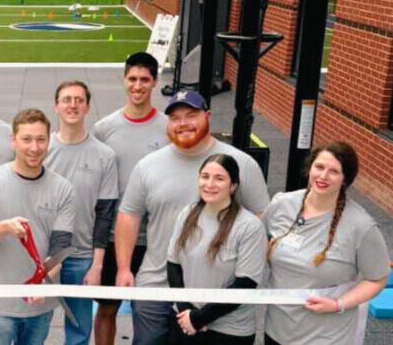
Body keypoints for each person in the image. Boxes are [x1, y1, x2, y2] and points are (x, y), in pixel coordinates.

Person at [114, 90, 270, 344]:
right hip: (155, 288)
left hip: (214, 299)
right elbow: (129, 216)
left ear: (207, 116)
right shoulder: (148, 165)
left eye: (191, 115)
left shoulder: (242, 164)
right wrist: (123, 268)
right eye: (175, 118)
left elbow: (262, 217)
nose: (183, 123)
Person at [0, 109, 76, 345]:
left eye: (40, 139)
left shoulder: (63, 189)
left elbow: (60, 247)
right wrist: (2, 228)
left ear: (49, 141)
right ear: (13, 141)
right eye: (26, 139)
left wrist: (40, 284)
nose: (34, 147)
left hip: (40, 304)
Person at [263, 141, 389, 345]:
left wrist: (339, 304)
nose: (323, 176)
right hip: (277, 330)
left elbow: (377, 279)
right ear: (310, 167)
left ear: (345, 179)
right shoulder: (281, 205)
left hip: (326, 337)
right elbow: (259, 244)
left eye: (334, 171)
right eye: (319, 167)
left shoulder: (361, 226)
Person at [92, 51, 170, 344]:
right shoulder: (104, 129)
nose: (138, 86)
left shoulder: (168, 128)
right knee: (107, 308)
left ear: (154, 82)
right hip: (116, 237)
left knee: (148, 310)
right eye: (132, 79)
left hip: (155, 237)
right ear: (124, 80)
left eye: (145, 80)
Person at [44, 80, 119, 345]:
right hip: (43, 256)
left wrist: (97, 265)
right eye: (66, 99)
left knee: (78, 331)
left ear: (87, 106)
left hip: (81, 257)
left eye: (79, 100)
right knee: (33, 326)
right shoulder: (40, 150)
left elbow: (105, 213)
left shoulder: (104, 155)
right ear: (56, 106)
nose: (72, 105)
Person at [166, 154, 266, 345]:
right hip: (184, 321)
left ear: (233, 186)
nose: (210, 184)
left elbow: (245, 284)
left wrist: (199, 318)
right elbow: (173, 265)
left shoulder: (249, 226)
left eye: (219, 178)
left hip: (228, 331)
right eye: (205, 176)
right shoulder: (188, 214)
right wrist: (186, 311)